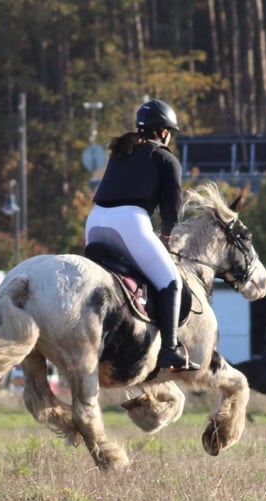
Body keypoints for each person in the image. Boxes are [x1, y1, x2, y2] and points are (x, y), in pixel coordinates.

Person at [85, 99, 199, 372]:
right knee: (171, 281)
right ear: (162, 132)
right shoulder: (165, 158)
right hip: (129, 224)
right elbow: (171, 209)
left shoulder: (120, 153)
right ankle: (169, 349)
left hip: (95, 221)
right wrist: (168, 235)